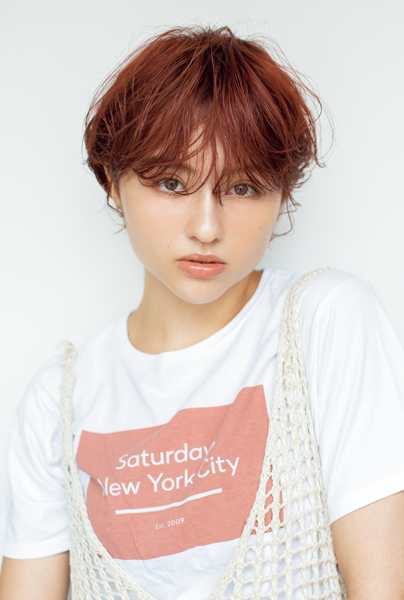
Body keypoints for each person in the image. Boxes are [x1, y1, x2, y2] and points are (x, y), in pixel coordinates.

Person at [0, 25, 404, 600]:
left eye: (242, 188)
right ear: (111, 182)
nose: (207, 228)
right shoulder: (60, 402)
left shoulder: (325, 321)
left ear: (282, 194)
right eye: (172, 183)